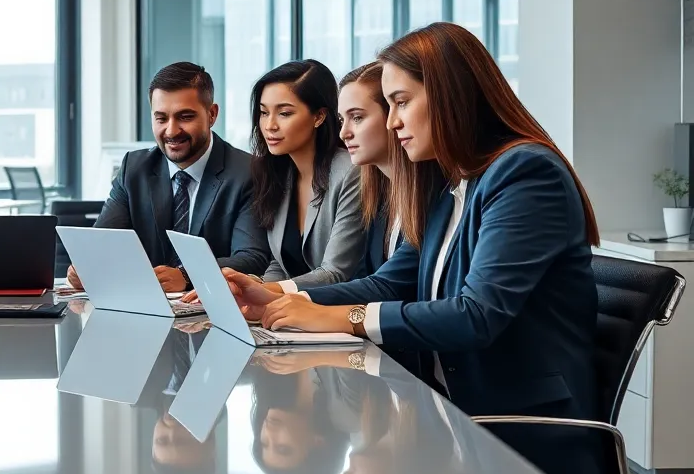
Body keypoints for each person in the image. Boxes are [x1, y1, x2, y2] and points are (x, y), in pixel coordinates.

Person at [234, 22, 601, 422]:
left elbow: (476, 315)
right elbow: (391, 282)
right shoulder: (453, 183)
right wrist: (281, 299)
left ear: (449, 97)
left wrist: (346, 317)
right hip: (448, 411)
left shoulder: (523, 172)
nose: (392, 122)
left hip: (517, 428)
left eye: (401, 102)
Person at [70, 62, 263, 293]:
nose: (171, 131)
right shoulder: (135, 168)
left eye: (185, 117)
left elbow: (252, 257)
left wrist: (187, 275)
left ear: (211, 115)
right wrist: (87, 266)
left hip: (213, 310)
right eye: (161, 119)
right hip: (146, 310)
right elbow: (102, 243)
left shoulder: (248, 171)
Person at [248, 59, 365, 290]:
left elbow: (336, 273)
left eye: (284, 113)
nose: (269, 125)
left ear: (319, 116)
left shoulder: (350, 172)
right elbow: (280, 264)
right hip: (291, 314)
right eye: (263, 113)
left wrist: (263, 291)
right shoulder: (279, 172)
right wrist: (254, 288)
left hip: (338, 312)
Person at [338, 62, 403, 278]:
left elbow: (386, 286)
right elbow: (365, 279)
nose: (344, 133)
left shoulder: (433, 196)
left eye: (357, 117)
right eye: (342, 120)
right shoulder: (380, 196)